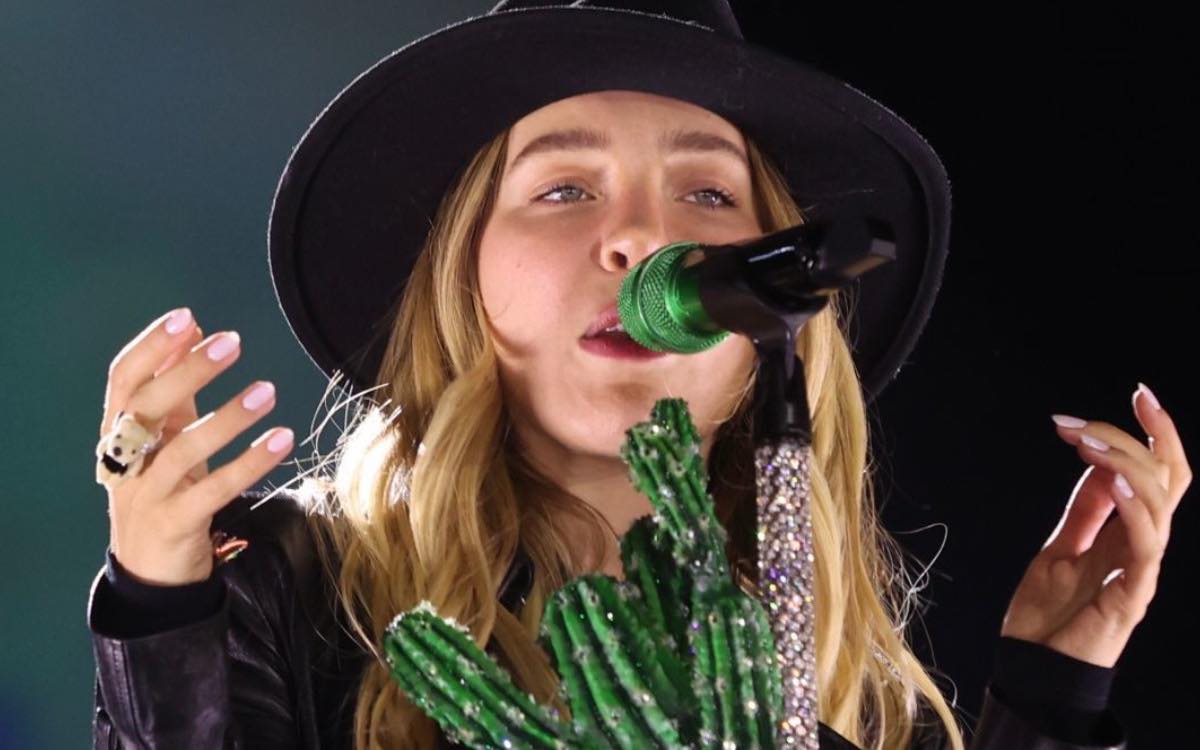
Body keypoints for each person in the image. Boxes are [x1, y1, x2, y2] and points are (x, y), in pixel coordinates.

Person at [86, 2, 1191, 749]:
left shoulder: (841, 671)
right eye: (564, 190)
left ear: (769, 307)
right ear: (463, 277)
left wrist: (1046, 697)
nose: (639, 244)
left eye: (708, 198)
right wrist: (159, 609)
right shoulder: (294, 586)